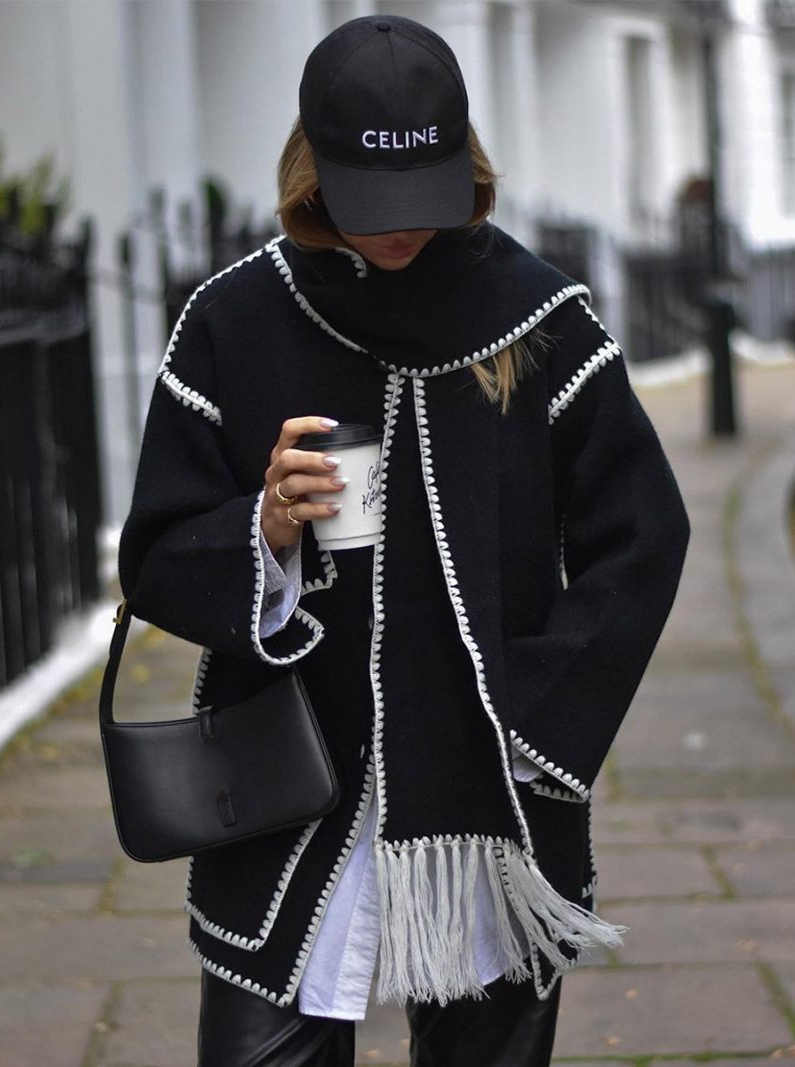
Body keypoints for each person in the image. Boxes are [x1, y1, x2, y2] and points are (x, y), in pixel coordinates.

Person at [118, 14, 690, 1067]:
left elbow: (641, 533)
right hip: (293, 790)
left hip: (488, 797)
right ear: (311, 168)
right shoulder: (233, 320)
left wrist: (540, 726)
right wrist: (265, 527)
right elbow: (153, 550)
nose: (399, 233)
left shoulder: (535, 316)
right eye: (369, 202)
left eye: (424, 200)